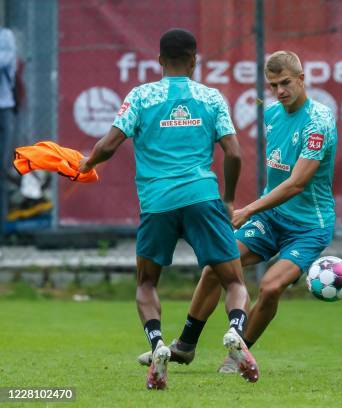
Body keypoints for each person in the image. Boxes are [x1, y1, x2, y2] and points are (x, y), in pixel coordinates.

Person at [79, 28, 258, 389]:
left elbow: (110, 144)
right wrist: (227, 198)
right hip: (202, 197)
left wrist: (87, 164)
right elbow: (235, 153)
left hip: (157, 202)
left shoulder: (142, 96)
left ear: (160, 61)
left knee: (146, 282)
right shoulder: (210, 98)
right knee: (234, 281)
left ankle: (158, 343)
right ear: (194, 59)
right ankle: (236, 332)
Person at [138, 50, 338, 373]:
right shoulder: (272, 115)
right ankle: (186, 346)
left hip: (308, 226)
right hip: (270, 219)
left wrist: (247, 209)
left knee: (271, 287)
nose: (279, 91)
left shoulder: (319, 121)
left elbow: (297, 183)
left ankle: (238, 354)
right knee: (216, 267)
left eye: (286, 83)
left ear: (302, 80)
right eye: (273, 85)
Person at [0, 26, 16, 240]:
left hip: (3, 108)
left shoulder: (5, 35)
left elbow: (4, 61)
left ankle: (2, 231)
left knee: (2, 169)